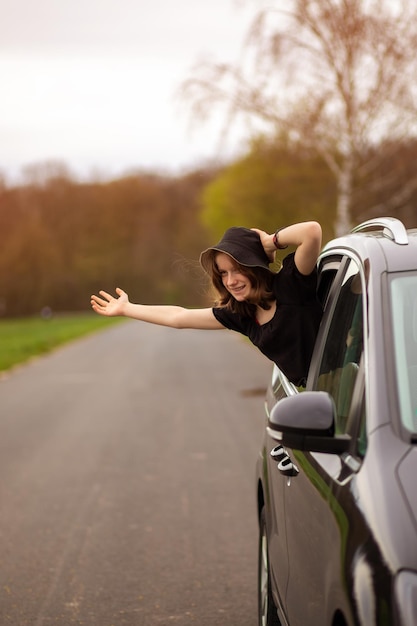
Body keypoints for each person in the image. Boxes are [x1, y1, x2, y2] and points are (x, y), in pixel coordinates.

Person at [90, 221, 323, 386]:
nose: (230, 281)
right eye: (223, 273)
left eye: (238, 270)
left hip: (347, 383)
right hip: (315, 394)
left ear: (255, 267)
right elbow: (178, 317)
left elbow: (311, 232)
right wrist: (127, 308)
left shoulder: (292, 285)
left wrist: (270, 242)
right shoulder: (241, 314)